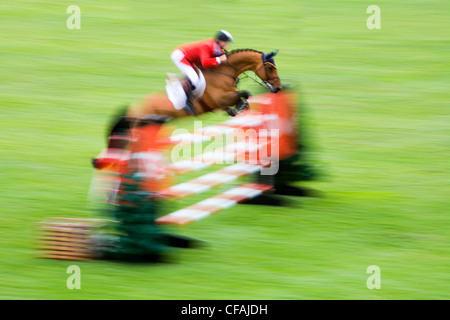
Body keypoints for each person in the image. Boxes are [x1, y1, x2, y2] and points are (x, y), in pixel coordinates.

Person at [170, 30, 234, 113]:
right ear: (220, 41)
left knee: (198, 76)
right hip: (180, 56)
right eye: (226, 42)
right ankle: (186, 102)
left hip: (189, 58)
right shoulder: (207, 45)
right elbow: (205, 62)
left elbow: (221, 56)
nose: (227, 44)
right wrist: (219, 59)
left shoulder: (217, 47)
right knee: (195, 79)